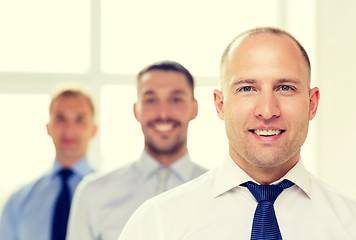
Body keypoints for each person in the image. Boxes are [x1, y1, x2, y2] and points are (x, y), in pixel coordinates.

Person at [117, 27, 356, 240]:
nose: (267, 110)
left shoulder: (349, 223)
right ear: (220, 104)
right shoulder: (156, 223)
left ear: (312, 103)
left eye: (285, 88)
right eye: (247, 88)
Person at [66, 60, 207, 240]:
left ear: (194, 108)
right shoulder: (93, 193)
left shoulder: (223, 195)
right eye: (151, 100)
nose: (163, 113)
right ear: (136, 110)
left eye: (175, 99)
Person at [0, 87, 97, 240]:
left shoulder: (111, 195)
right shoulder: (17, 202)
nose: (69, 129)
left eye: (80, 119)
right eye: (60, 118)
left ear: (94, 129)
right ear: (48, 127)